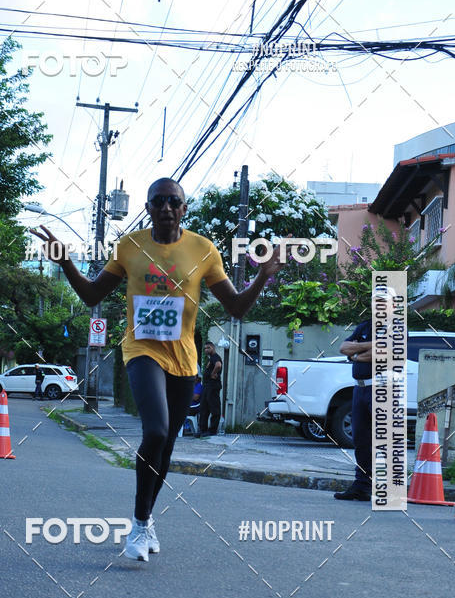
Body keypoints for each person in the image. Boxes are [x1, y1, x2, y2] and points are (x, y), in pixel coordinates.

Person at [30, 177, 282, 562]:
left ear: (184, 208)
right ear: (147, 208)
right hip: (141, 350)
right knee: (157, 431)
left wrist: (263, 278)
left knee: (166, 447)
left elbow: (236, 308)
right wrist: (65, 262)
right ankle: (137, 524)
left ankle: (145, 520)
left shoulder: (203, 249)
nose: (166, 206)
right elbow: (93, 294)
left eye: (173, 201)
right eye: (158, 201)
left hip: (184, 359)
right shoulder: (129, 247)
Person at [334, 286, 395, 502]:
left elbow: (385, 352)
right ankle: (362, 486)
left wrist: (357, 353)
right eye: (375, 301)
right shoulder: (364, 326)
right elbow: (343, 347)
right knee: (360, 440)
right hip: (360, 389)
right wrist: (368, 347)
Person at [198, 340, 223, 436]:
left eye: (208, 348)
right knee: (204, 408)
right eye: (205, 348)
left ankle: (212, 430)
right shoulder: (210, 358)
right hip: (207, 386)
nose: (206, 350)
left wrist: (213, 373)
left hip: (213, 386)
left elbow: (218, 365)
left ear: (213, 348)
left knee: (214, 408)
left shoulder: (215, 357)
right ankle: (202, 430)